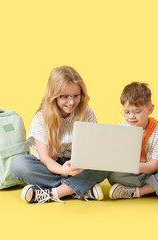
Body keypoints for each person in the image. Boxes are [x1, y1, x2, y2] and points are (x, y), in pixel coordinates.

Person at [12, 66, 109, 204]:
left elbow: (92, 150)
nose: (71, 102)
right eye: (65, 97)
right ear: (54, 95)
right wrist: (63, 170)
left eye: (76, 96)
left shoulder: (86, 112)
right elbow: (45, 159)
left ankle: (54, 193)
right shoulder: (41, 118)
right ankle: (79, 188)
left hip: (77, 166)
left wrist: (81, 166)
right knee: (19, 165)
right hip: (49, 167)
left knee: (107, 163)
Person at [108, 82, 158, 200]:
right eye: (126, 112)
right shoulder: (121, 128)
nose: (131, 117)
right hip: (133, 174)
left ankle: (138, 192)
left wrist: (140, 168)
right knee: (113, 175)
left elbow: (154, 166)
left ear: (150, 109)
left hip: (155, 170)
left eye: (137, 112)